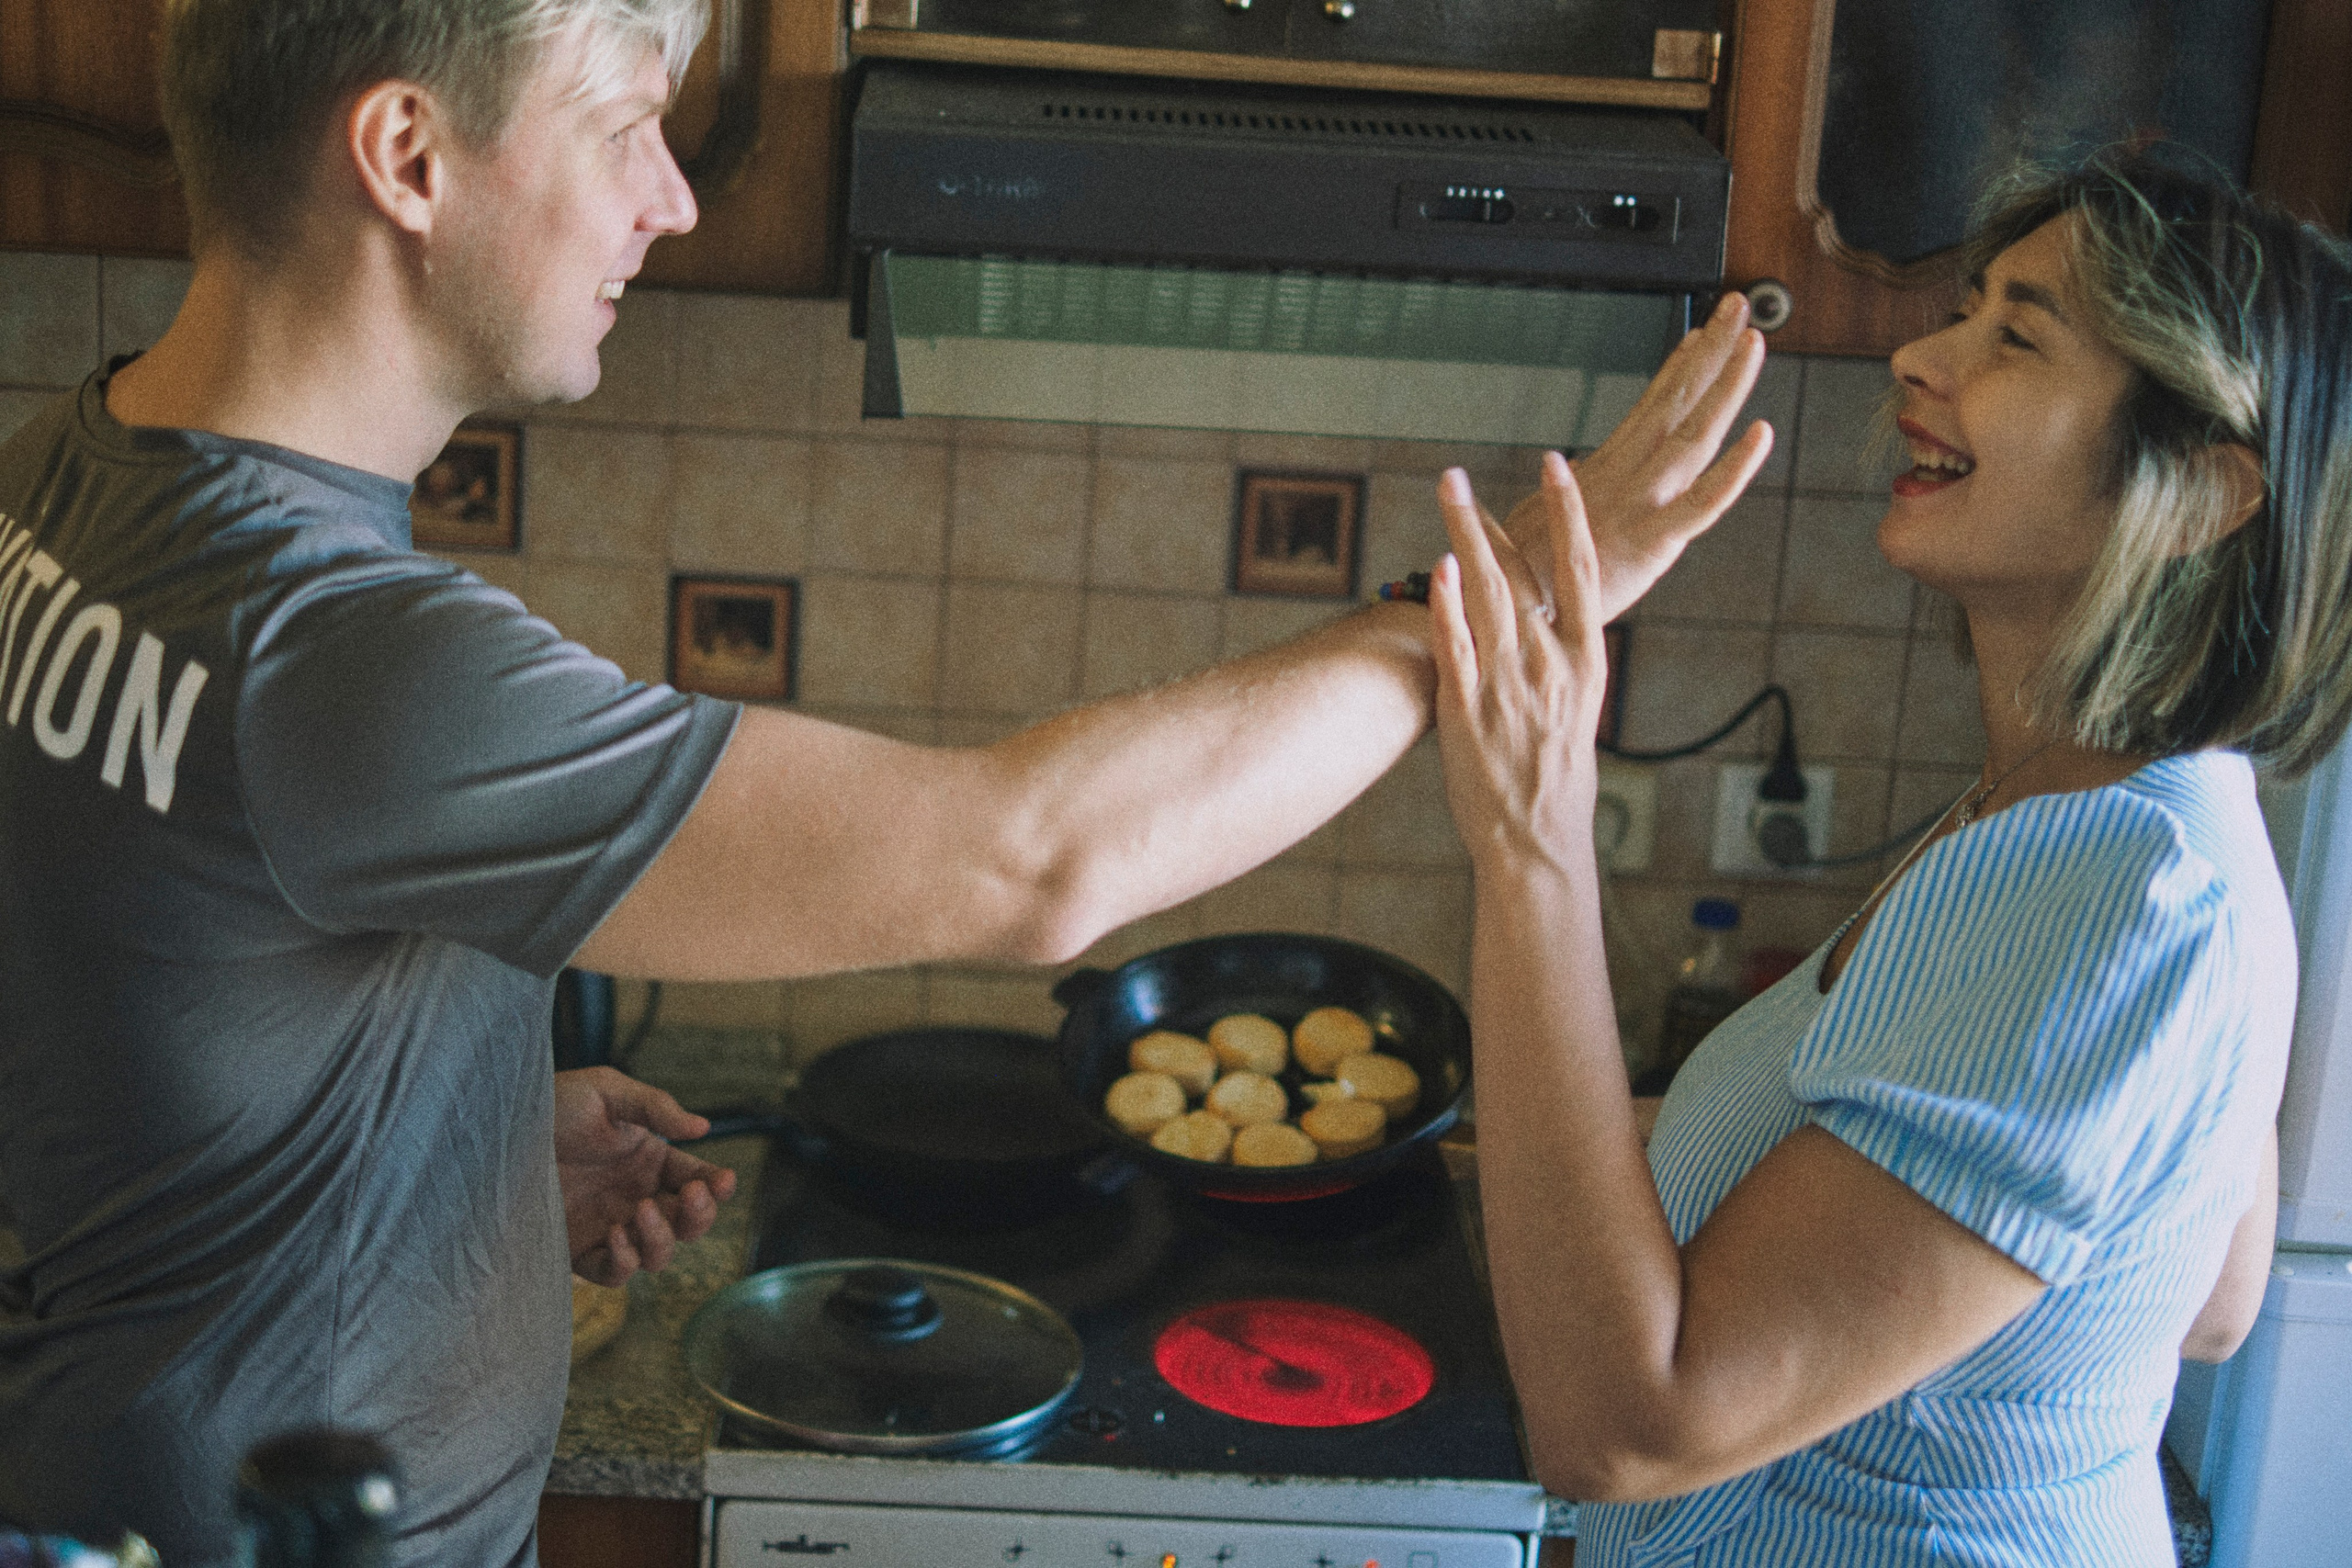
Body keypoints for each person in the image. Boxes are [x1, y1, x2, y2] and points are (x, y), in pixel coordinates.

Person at [0, 3, 1773, 1562]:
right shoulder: (348, 658)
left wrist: (447, 1160)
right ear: (406, 155)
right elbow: (1030, 866)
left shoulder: (65, 483)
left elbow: (124, 1005)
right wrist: (1518, 592)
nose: (671, 198)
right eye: (624, 124)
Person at [1426, 148, 2343, 1565]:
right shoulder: (2112, 820)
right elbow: (2202, 1297)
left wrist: (1533, 833)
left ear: (2210, 494)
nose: (1919, 353)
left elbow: (1626, 1431)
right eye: (1965, 310)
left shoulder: (2124, 897)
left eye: (2016, 337)